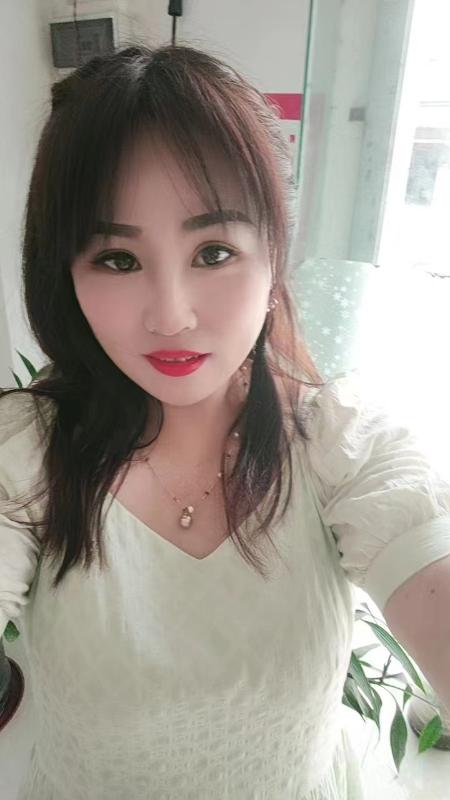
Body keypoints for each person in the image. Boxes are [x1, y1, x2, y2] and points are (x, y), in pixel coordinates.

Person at [0, 44, 449, 800]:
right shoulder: (26, 457)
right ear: (65, 274)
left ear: (274, 258)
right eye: (117, 260)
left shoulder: (339, 445)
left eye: (213, 252)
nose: (171, 315)